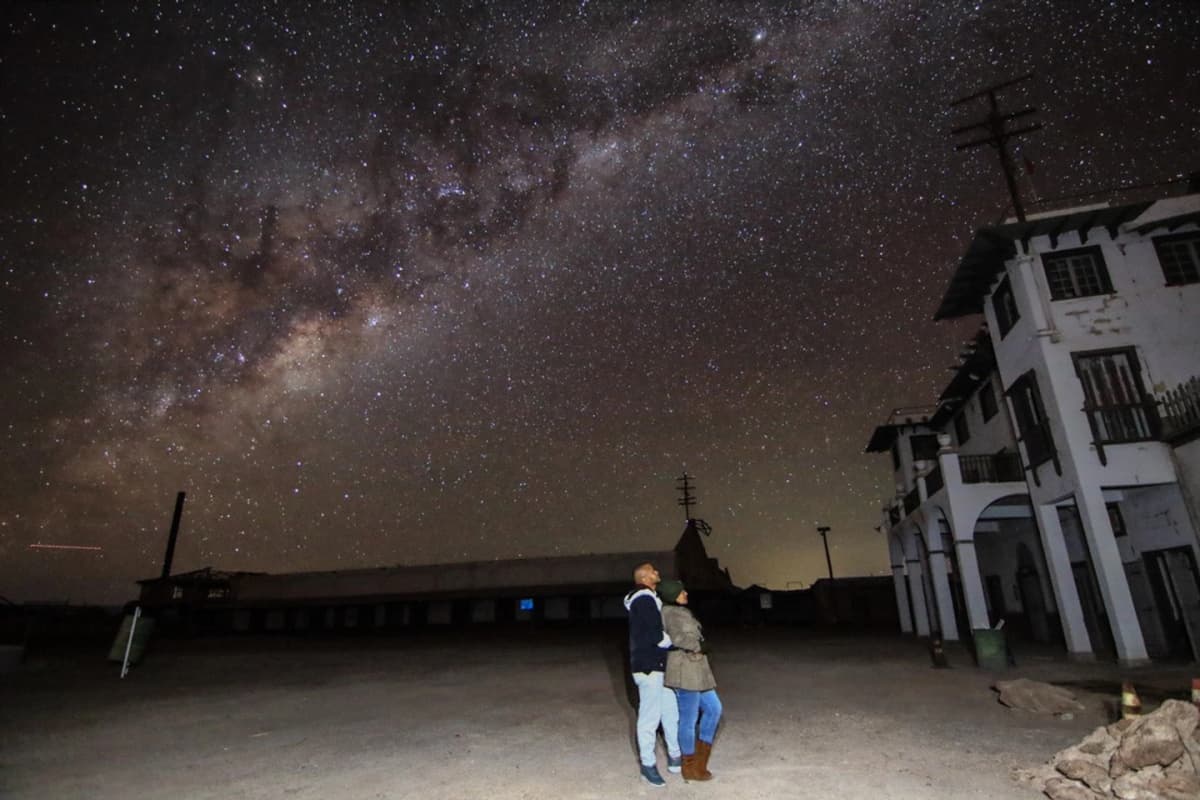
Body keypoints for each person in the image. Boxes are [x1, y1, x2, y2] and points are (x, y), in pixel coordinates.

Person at [658, 579, 723, 782]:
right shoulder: (669, 613)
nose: (685, 593)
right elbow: (678, 638)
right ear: (671, 595)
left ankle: (700, 762)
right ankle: (689, 766)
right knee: (688, 719)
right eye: (680, 591)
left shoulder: (681, 611)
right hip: (684, 669)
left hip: (697, 669)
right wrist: (699, 645)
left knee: (714, 709)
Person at [624, 562, 682, 787]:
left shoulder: (648, 598)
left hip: (657, 665)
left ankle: (675, 757)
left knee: (670, 711)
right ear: (645, 578)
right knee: (650, 717)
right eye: (654, 570)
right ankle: (648, 766)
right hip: (649, 668)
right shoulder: (644, 599)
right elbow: (656, 634)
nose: (658, 572)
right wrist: (673, 642)